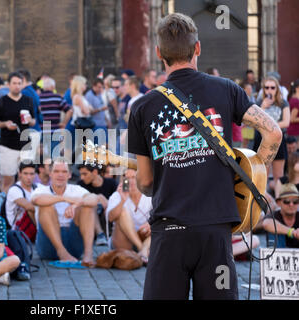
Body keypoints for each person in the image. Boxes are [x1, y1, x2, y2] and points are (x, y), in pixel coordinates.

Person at [128, 12, 282, 300]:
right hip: (215, 232)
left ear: (159, 53)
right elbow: (273, 133)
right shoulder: (226, 89)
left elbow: (146, 182)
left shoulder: (142, 107)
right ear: (197, 48)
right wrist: (252, 176)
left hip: (169, 231)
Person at [31, 160, 97, 266]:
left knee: (87, 208)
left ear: (69, 175)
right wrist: (65, 199)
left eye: (64, 171)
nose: (60, 175)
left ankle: (88, 255)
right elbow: (36, 200)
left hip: (73, 239)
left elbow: (94, 199)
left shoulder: (76, 189)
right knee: (46, 207)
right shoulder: (41, 189)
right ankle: (62, 252)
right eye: (56, 171)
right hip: (48, 244)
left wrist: (76, 204)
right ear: (50, 173)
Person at [0, 72, 35, 193]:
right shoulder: (1, 101)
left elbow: (34, 121)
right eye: (14, 83)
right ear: (8, 85)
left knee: (27, 179)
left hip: (26, 144)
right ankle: (7, 207)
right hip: (7, 145)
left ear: (23, 85)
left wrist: (30, 120)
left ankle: (25, 206)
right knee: (8, 179)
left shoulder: (28, 100)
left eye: (19, 83)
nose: (17, 86)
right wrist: (5, 124)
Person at [106, 169, 152, 264]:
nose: (131, 181)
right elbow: (110, 218)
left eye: (134, 177)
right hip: (123, 241)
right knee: (122, 211)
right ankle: (142, 250)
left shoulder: (150, 195)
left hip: (147, 239)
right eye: (127, 178)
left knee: (158, 222)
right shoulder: (117, 196)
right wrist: (123, 200)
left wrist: (151, 223)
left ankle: (144, 251)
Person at [253, 76, 290, 191]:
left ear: (277, 89)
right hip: (262, 139)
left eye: (272, 87)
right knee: (262, 174)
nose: (269, 90)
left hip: (277, 139)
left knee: (278, 176)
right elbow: (255, 121)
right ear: (263, 89)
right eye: (267, 87)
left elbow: (286, 122)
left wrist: (270, 127)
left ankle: (279, 204)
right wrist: (263, 107)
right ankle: (264, 202)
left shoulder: (283, 103)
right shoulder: (259, 102)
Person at [78, 164, 118, 246]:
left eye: (85, 174)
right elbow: (79, 202)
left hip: (108, 219)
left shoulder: (111, 183)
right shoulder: (81, 184)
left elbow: (119, 201)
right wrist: (97, 197)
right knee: (91, 204)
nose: (82, 177)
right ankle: (100, 234)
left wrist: (108, 203)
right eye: (81, 174)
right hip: (88, 220)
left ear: (95, 172)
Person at [39, 77, 72, 158]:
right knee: (54, 154)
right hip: (55, 130)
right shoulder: (57, 97)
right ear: (53, 87)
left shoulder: (38, 98)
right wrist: (64, 123)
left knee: (42, 156)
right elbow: (69, 111)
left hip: (42, 130)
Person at [263, 183, 299, 248]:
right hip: (278, 253)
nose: (291, 204)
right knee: (274, 229)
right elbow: (266, 223)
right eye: (286, 201)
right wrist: (292, 232)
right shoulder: (274, 215)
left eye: (295, 201)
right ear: (278, 203)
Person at [5, 163, 37, 230]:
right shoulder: (14, 190)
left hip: (32, 225)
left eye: (31, 174)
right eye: (25, 173)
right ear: (19, 174)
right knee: (31, 210)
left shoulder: (37, 187)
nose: (29, 177)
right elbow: (28, 207)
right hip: (17, 229)